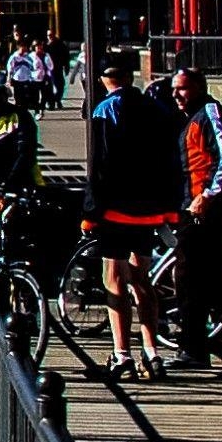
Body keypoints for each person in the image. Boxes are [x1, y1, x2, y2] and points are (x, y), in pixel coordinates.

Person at [83, 49, 187, 378]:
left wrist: (91, 210)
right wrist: (170, 207)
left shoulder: (104, 110)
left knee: (114, 280)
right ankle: (152, 351)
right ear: (130, 78)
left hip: (116, 211)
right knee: (142, 280)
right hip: (151, 210)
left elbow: (99, 166)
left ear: (102, 80)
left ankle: (121, 354)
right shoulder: (156, 109)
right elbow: (173, 162)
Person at [173, 63, 222, 365]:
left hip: (208, 212)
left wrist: (207, 196)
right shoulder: (190, 118)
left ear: (200, 88)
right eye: (174, 89)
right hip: (195, 208)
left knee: (191, 276)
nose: (177, 94)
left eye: (183, 88)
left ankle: (195, 346)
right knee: (216, 274)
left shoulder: (210, 114)